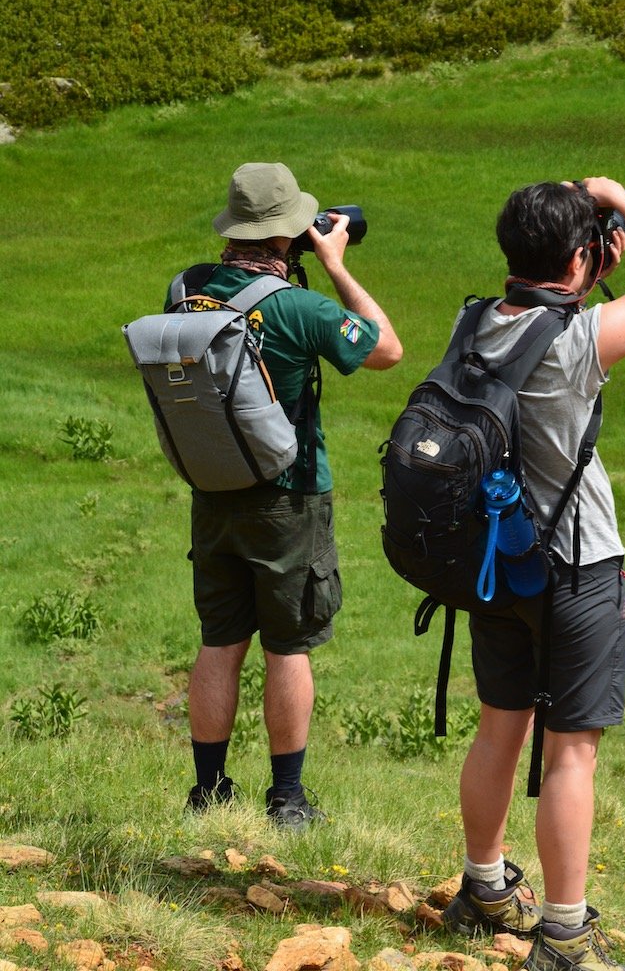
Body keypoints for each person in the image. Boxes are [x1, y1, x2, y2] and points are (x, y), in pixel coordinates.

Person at [442, 178, 625, 970]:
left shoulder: (475, 322)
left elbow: (542, 302)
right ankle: (563, 934)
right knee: (571, 753)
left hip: (496, 560)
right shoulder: (577, 340)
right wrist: (612, 204)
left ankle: (483, 887)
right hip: (578, 566)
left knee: (500, 725)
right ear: (581, 255)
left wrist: (581, 253)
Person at [180, 162, 402, 826]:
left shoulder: (188, 289)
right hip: (288, 496)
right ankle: (288, 799)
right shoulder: (298, 309)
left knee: (220, 640)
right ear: (288, 234)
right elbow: (387, 348)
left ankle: (209, 789)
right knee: (288, 646)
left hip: (213, 490)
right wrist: (334, 264)